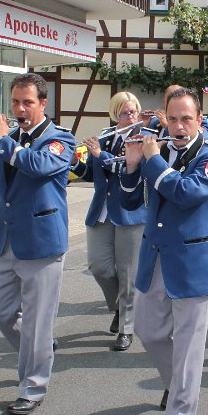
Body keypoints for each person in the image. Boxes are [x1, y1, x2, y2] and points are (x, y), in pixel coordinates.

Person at [120, 86, 208, 415]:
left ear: (199, 120)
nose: (179, 127)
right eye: (174, 119)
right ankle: (178, 386)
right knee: (148, 332)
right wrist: (132, 165)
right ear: (165, 118)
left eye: (187, 119)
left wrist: (151, 161)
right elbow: (131, 201)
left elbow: (187, 193)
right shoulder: (159, 151)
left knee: (188, 347)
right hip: (154, 257)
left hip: (192, 262)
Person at [0, 73, 76, 415]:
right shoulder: (8, 137)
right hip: (6, 238)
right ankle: (39, 348)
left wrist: (3, 140)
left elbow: (38, 166)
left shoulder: (60, 139)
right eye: (15, 102)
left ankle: (33, 386)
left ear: (43, 103)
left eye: (27, 102)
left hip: (42, 241)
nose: (20, 109)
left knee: (39, 321)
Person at [71, 92, 147, 351]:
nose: (130, 117)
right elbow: (91, 173)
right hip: (102, 211)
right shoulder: (107, 137)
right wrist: (76, 161)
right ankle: (119, 307)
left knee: (128, 273)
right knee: (99, 267)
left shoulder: (144, 139)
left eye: (133, 112)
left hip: (131, 212)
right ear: (115, 114)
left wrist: (100, 154)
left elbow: (128, 169)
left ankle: (127, 328)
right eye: (124, 113)